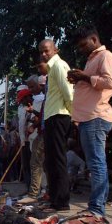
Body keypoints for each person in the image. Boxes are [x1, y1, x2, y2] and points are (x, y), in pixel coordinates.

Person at [69, 26, 112, 216]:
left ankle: (96, 208)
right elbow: (93, 83)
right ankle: (97, 207)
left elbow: (109, 82)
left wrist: (85, 77)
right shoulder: (92, 59)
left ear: (94, 39)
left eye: (83, 45)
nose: (81, 49)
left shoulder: (106, 56)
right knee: (95, 163)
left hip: (96, 116)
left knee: (97, 164)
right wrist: (80, 79)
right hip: (87, 118)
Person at [39, 38, 74, 211]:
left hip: (60, 115)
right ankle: (54, 199)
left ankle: (61, 201)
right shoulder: (51, 69)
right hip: (52, 116)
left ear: (55, 50)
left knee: (58, 159)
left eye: (47, 50)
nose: (44, 54)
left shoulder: (59, 66)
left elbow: (68, 92)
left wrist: (73, 115)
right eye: (42, 52)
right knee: (51, 161)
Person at [19, 76, 47, 203]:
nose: (31, 90)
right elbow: (40, 116)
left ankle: (35, 193)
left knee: (36, 164)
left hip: (40, 134)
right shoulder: (39, 101)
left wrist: (33, 124)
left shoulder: (41, 99)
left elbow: (43, 117)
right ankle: (39, 191)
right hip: (36, 135)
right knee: (37, 164)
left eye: (32, 87)